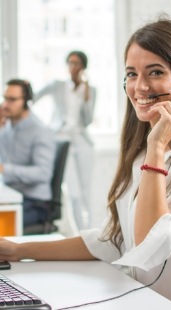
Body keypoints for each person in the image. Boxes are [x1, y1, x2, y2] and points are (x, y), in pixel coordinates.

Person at [0, 18, 171, 310]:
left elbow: (153, 248)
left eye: (155, 72)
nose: (140, 86)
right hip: (144, 300)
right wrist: (18, 250)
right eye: (132, 74)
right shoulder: (141, 155)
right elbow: (113, 240)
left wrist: (156, 147)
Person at [33, 50, 97, 229]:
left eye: (76, 63)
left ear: (83, 67)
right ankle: (79, 234)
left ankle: (90, 232)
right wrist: (46, 128)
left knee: (86, 192)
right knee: (73, 193)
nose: (72, 67)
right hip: (62, 140)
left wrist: (86, 98)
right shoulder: (57, 85)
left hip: (82, 141)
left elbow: (88, 120)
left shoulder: (90, 90)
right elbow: (33, 98)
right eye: (69, 63)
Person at [0, 79, 56, 228]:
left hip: (35, 202)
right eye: (5, 98)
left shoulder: (40, 131)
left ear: (26, 101)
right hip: (11, 197)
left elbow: (43, 173)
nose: (5, 104)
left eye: (12, 100)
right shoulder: (6, 127)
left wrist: (5, 169)